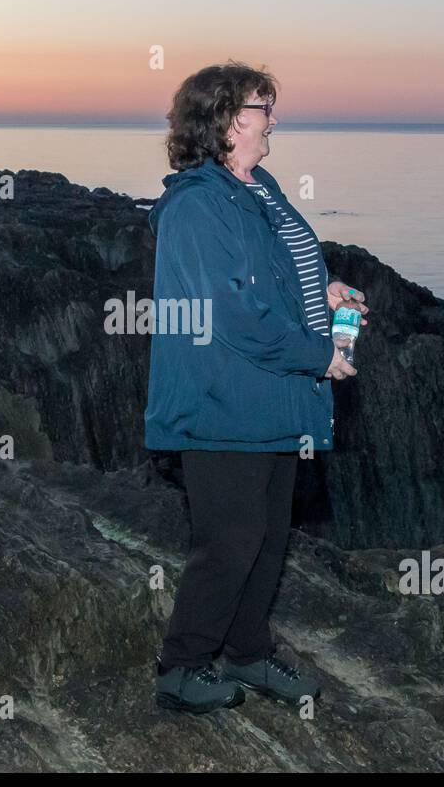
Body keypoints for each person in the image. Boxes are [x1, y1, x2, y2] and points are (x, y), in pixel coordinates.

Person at [145, 62, 367, 713]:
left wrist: (324, 301)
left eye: (271, 105)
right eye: (261, 106)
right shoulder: (195, 204)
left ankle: (246, 653)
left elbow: (275, 280)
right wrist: (319, 353)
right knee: (230, 541)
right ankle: (182, 666)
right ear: (222, 121)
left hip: (272, 396)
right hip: (222, 400)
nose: (274, 118)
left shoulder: (260, 186)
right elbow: (231, 315)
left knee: (269, 537)